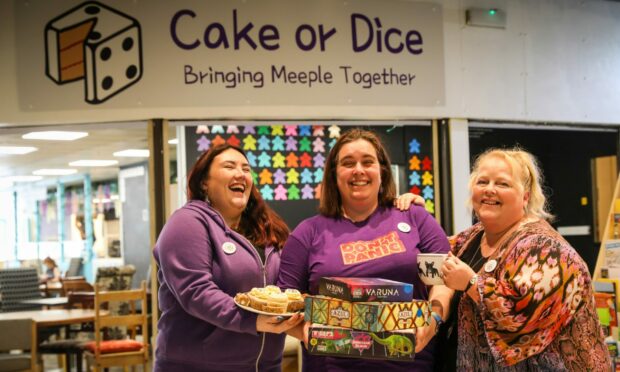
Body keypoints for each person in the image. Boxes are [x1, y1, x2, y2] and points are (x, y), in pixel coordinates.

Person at [277, 129, 453, 371]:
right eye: (348, 163)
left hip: (412, 363)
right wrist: (305, 331)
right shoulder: (307, 233)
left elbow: (445, 280)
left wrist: (432, 321)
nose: (358, 170)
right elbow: (286, 301)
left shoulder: (415, 217)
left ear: (381, 170)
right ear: (334, 174)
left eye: (367, 162)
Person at [439, 148, 610, 371]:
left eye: (502, 184)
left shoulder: (546, 249)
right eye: (482, 181)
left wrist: (471, 283)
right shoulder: (472, 237)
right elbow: (431, 250)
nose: (489, 190)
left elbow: (521, 317)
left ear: (526, 196)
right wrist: (409, 211)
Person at [153, 144, 303, 372]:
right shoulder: (187, 223)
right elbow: (196, 291)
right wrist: (251, 320)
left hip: (265, 366)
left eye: (246, 168)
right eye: (229, 166)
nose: (240, 174)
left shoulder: (268, 228)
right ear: (204, 182)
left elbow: (284, 288)